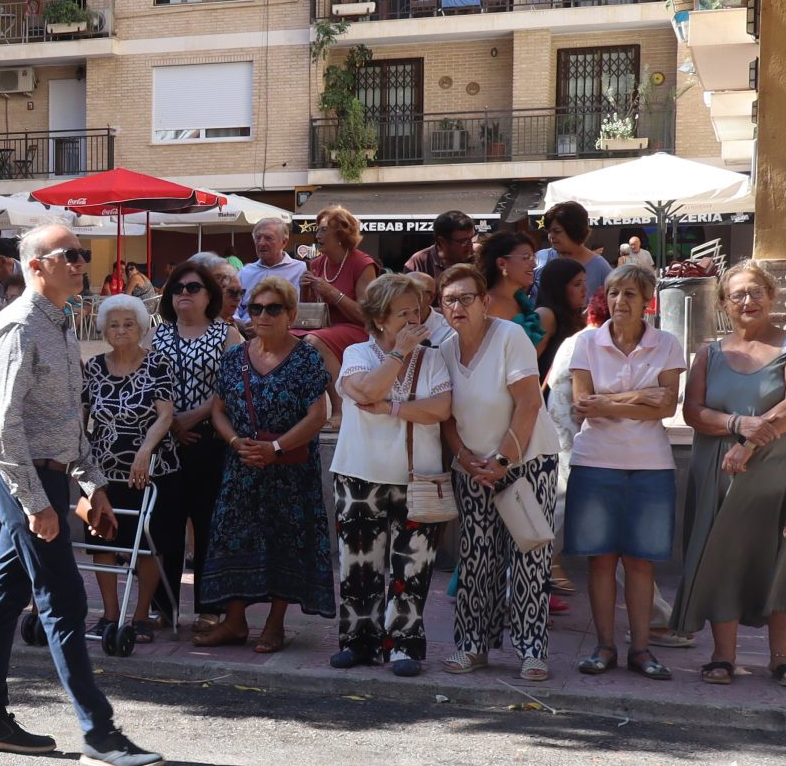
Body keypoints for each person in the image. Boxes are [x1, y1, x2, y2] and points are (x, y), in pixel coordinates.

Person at [0, 222, 159, 766]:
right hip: (18, 476)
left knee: (6, 596)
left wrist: (91, 484)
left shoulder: (60, 322)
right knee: (64, 597)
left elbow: (67, 422)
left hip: (47, 475)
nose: (81, 262)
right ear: (36, 266)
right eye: (69, 254)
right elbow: (4, 430)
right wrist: (36, 503)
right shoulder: (19, 327)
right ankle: (100, 735)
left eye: (82, 253)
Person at [673, 260, 786, 690]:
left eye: (756, 291)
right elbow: (693, 412)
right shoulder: (708, 353)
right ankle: (723, 655)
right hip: (722, 475)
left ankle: (783, 657)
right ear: (723, 304)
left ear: (771, 297)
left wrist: (749, 443)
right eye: (738, 294)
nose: (748, 300)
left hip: (785, 475)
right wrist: (736, 424)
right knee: (725, 558)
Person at [435, 261, 560, 680]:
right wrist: (463, 456)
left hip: (527, 461)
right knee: (476, 558)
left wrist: (502, 460)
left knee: (529, 556)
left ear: (485, 301)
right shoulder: (445, 350)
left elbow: (529, 403)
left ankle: (532, 651)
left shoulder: (510, 337)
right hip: (473, 468)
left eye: (466, 298)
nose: (457, 307)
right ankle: (472, 646)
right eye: (449, 300)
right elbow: (446, 416)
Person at [196, 274, 334, 652]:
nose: (263, 316)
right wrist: (235, 441)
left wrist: (275, 448)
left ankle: (275, 625)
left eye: (273, 309)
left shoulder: (306, 356)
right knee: (231, 538)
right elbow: (218, 410)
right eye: (255, 309)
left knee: (284, 540)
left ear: (291, 314)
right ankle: (234, 622)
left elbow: (318, 415)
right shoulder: (235, 357)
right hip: (243, 464)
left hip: (289, 466)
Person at [564, 261, 685, 679]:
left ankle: (641, 650)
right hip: (594, 461)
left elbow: (666, 407)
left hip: (650, 465)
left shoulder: (666, 343)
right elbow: (583, 405)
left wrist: (610, 401)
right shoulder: (586, 342)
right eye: (614, 293)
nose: (620, 301)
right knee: (600, 561)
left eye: (630, 294)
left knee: (641, 562)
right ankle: (604, 647)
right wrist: (640, 397)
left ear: (647, 301)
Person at [328, 274, 452, 675]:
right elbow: (365, 390)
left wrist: (392, 409)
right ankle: (358, 643)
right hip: (358, 473)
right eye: (403, 314)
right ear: (379, 319)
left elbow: (440, 409)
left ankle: (404, 646)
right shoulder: (357, 353)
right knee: (358, 564)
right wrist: (398, 354)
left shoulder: (433, 358)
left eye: (416, 311)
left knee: (412, 566)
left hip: (418, 476)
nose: (414, 320)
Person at [81, 293, 176, 644]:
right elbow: (81, 418)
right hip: (101, 472)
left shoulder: (158, 363)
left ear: (141, 328)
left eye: (128, 324)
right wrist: (81, 463)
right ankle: (109, 614)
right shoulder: (93, 366)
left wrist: (145, 450)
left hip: (150, 471)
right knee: (101, 540)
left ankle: (140, 616)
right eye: (113, 325)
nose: (120, 330)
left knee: (148, 542)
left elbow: (165, 415)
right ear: (104, 330)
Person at [146, 258, 236, 627]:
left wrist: (193, 416)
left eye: (193, 287)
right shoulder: (155, 335)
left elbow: (232, 386)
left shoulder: (226, 335)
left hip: (210, 440)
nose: (184, 293)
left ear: (209, 295)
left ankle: (209, 609)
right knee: (164, 526)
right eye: (178, 288)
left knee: (207, 525)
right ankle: (162, 608)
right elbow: (145, 384)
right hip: (166, 444)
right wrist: (172, 425)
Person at [300, 205, 374, 355]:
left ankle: (337, 372)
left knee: (312, 340)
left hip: (356, 329)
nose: (317, 236)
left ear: (341, 235)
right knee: (284, 336)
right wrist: (304, 289)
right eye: (317, 230)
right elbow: (309, 312)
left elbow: (366, 316)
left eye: (323, 230)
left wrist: (331, 292)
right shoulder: (316, 263)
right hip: (321, 327)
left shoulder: (362, 264)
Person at [535, 200, 611, 304]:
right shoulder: (540, 258)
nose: (551, 236)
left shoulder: (600, 267)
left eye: (557, 231)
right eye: (549, 232)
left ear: (575, 230)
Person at [478, 228, 543, 348]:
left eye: (533, 257)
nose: (534, 264)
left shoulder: (519, 300)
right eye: (526, 257)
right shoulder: (489, 304)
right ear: (502, 263)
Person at [236, 218, 307, 322]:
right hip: (246, 327)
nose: (261, 243)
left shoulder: (299, 269)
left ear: (284, 242)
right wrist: (240, 323)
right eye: (258, 238)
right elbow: (233, 306)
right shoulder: (245, 272)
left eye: (268, 238)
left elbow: (302, 307)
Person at [537, 255, 590, 371]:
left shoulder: (578, 317)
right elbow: (527, 363)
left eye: (585, 282)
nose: (585, 289)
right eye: (577, 284)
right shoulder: (546, 315)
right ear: (558, 288)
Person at [404, 210, 479, 284]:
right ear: (442, 241)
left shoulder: (479, 257)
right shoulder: (419, 262)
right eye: (463, 241)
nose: (470, 244)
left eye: (472, 238)